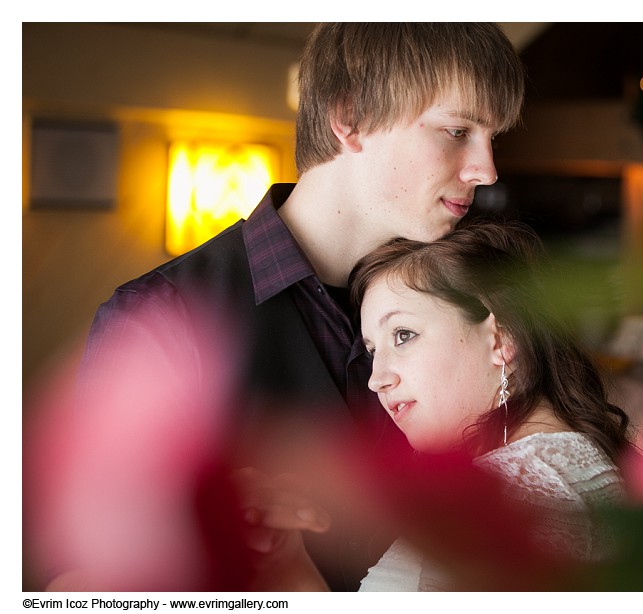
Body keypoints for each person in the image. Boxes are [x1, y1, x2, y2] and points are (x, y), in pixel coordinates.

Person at [54, 23, 526, 592]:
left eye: (492, 137)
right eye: (457, 130)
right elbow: (89, 585)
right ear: (349, 117)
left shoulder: (470, 298)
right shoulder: (160, 318)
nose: (487, 169)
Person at [261, 221, 637, 591]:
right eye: (373, 350)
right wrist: (289, 563)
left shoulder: (517, 491)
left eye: (403, 335)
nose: (377, 379)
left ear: (500, 338)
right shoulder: (555, 470)